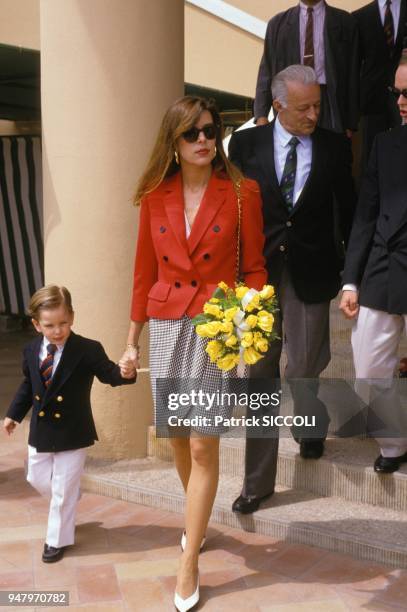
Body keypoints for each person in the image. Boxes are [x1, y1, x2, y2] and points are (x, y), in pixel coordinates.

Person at [120, 96, 266, 612]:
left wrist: (249, 310)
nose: (204, 139)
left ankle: (189, 562)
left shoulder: (244, 192)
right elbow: (143, 274)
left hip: (214, 325)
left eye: (211, 130)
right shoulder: (154, 198)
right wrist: (131, 340)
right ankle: (195, 523)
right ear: (174, 143)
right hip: (165, 325)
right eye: (192, 133)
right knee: (179, 440)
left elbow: (254, 268)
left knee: (204, 446)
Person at [229, 65, 357, 514]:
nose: (312, 114)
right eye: (303, 107)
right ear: (277, 104)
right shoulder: (245, 145)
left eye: (318, 105)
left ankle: (310, 421)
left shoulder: (334, 146)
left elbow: (351, 210)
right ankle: (256, 484)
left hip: (312, 269)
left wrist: (350, 271)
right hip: (259, 273)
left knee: (305, 363)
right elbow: (231, 210)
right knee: (261, 376)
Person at [3, 285, 136, 563]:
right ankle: (67, 500)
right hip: (41, 430)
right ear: (36, 324)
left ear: (72, 317)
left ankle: (56, 540)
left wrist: (126, 371)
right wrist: (13, 415)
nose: (57, 331)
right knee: (36, 478)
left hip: (73, 430)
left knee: (62, 492)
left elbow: (110, 374)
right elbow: (29, 386)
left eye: (63, 323)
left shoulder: (87, 349)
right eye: (50, 325)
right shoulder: (30, 351)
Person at [340, 57, 407, 474]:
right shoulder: (385, 143)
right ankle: (394, 443)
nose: (401, 101)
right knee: (367, 364)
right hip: (385, 263)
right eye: (398, 92)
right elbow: (365, 215)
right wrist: (350, 279)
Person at [254, 0, 359, 136]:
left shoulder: (345, 22)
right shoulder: (278, 24)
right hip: (292, 101)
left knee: (329, 153)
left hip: (328, 103)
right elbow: (266, 71)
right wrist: (261, 115)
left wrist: (350, 122)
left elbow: (353, 75)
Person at [353, 0, 407, 170]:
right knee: (371, 156)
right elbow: (354, 66)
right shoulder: (359, 17)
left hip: (403, 97)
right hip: (371, 101)